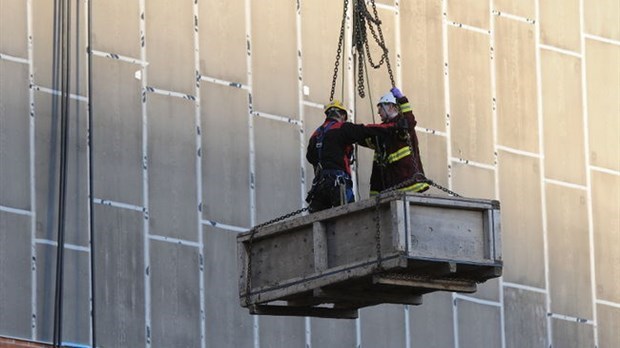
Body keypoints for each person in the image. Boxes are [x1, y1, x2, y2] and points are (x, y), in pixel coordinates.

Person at [305, 100, 401, 213]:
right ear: (342, 115)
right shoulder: (342, 128)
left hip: (319, 186)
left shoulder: (315, 135)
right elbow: (365, 131)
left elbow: (310, 157)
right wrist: (393, 127)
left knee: (318, 219)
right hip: (338, 183)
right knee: (349, 216)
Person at [362, 87, 429, 195]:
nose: (378, 111)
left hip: (407, 180)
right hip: (390, 185)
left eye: (381, 107)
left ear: (391, 107)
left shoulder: (402, 123)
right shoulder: (383, 129)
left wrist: (402, 99)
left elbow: (410, 121)